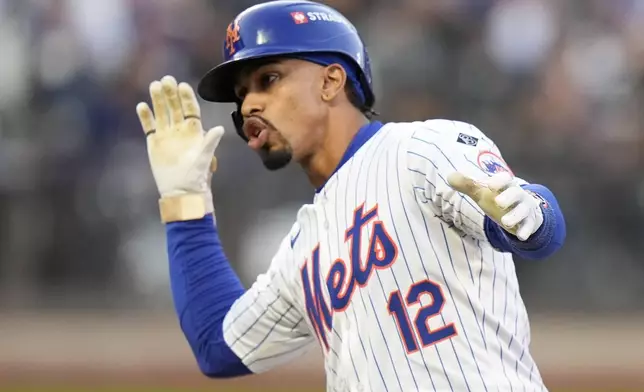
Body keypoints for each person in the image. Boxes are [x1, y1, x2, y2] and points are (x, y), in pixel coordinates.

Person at [135, 1, 565, 390]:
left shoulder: (423, 147)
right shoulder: (301, 250)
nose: (248, 105)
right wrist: (185, 201)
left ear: (331, 80)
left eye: (268, 79)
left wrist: (533, 214)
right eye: (241, 94)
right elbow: (218, 345)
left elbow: (525, 221)